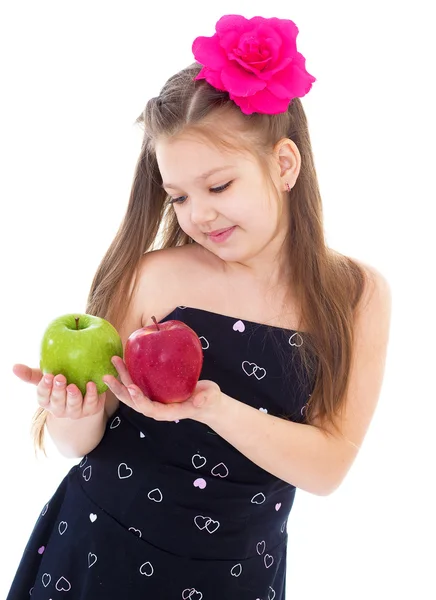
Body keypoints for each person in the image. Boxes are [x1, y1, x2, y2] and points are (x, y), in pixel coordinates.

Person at [7, 13, 392, 600]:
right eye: (179, 196)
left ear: (284, 165)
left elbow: (327, 467)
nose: (198, 215)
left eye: (218, 187)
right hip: (99, 550)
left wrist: (214, 409)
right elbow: (78, 444)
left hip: (234, 573)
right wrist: (72, 409)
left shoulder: (356, 295)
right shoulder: (155, 279)